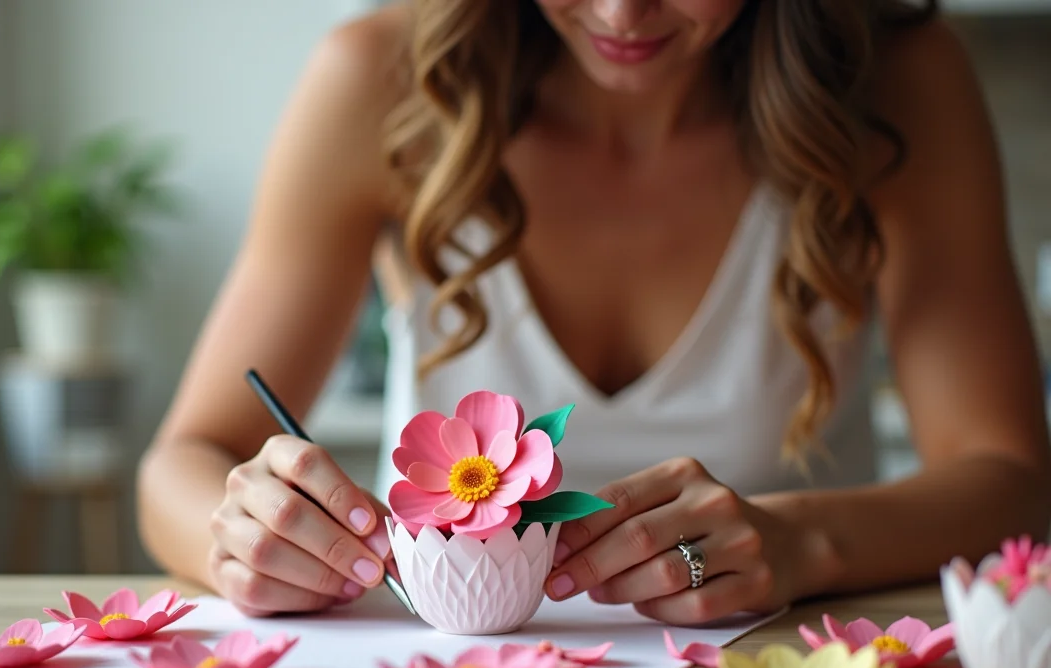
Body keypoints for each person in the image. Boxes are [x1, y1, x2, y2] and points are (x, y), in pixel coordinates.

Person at [138, 0, 1051, 624]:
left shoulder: (898, 85)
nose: (622, 14)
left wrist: (807, 541)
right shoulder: (380, 81)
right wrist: (246, 534)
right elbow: (181, 464)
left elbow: (1010, 478)